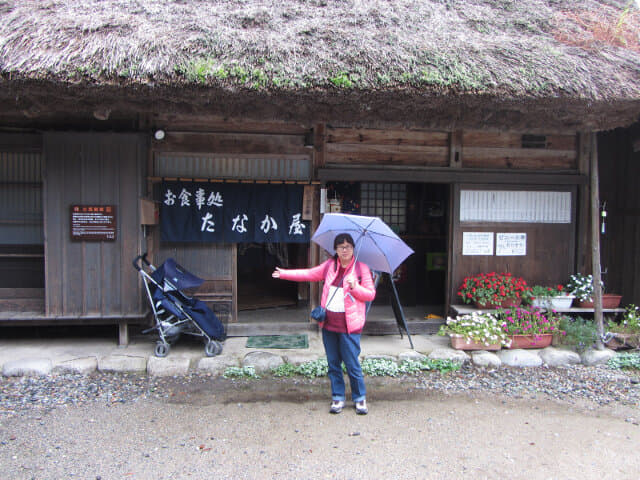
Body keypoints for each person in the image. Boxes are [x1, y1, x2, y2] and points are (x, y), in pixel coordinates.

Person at [272, 233, 376, 415]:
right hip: (329, 325)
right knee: (333, 364)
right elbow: (309, 274)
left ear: (353, 248)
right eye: (341, 247)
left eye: (348, 247)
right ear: (335, 249)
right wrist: (284, 274)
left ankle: (360, 398)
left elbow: (370, 294)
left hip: (349, 327)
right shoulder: (330, 266)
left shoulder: (361, 269)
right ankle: (338, 397)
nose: (345, 250)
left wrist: (355, 287)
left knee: (352, 364)